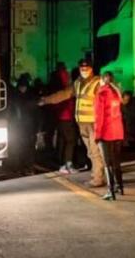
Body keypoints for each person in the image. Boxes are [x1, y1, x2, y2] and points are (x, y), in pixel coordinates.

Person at [39, 57, 104, 187]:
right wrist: (46, 100)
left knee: (95, 151)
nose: (84, 70)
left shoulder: (98, 83)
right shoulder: (78, 83)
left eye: (87, 68)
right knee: (91, 152)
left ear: (92, 69)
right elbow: (64, 94)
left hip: (94, 123)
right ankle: (97, 175)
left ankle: (98, 178)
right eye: (82, 68)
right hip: (82, 124)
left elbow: (105, 102)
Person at [94, 71, 125, 200]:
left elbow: (99, 116)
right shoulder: (116, 93)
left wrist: (97, 134)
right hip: (118, 132)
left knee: (107, 163)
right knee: (116, 161)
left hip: (106, 133)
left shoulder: (101, 93)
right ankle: (120, 186)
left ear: (102, 80)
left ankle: (110, 191)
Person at [10, 74, 40, 174]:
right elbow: (36, 113)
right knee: (27, 148)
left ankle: (21, 167)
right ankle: (26, 167)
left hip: (20, 127)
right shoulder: (31, 96)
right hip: (27, 127)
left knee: (20, 148)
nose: (23, 88)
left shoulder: (14, 96)